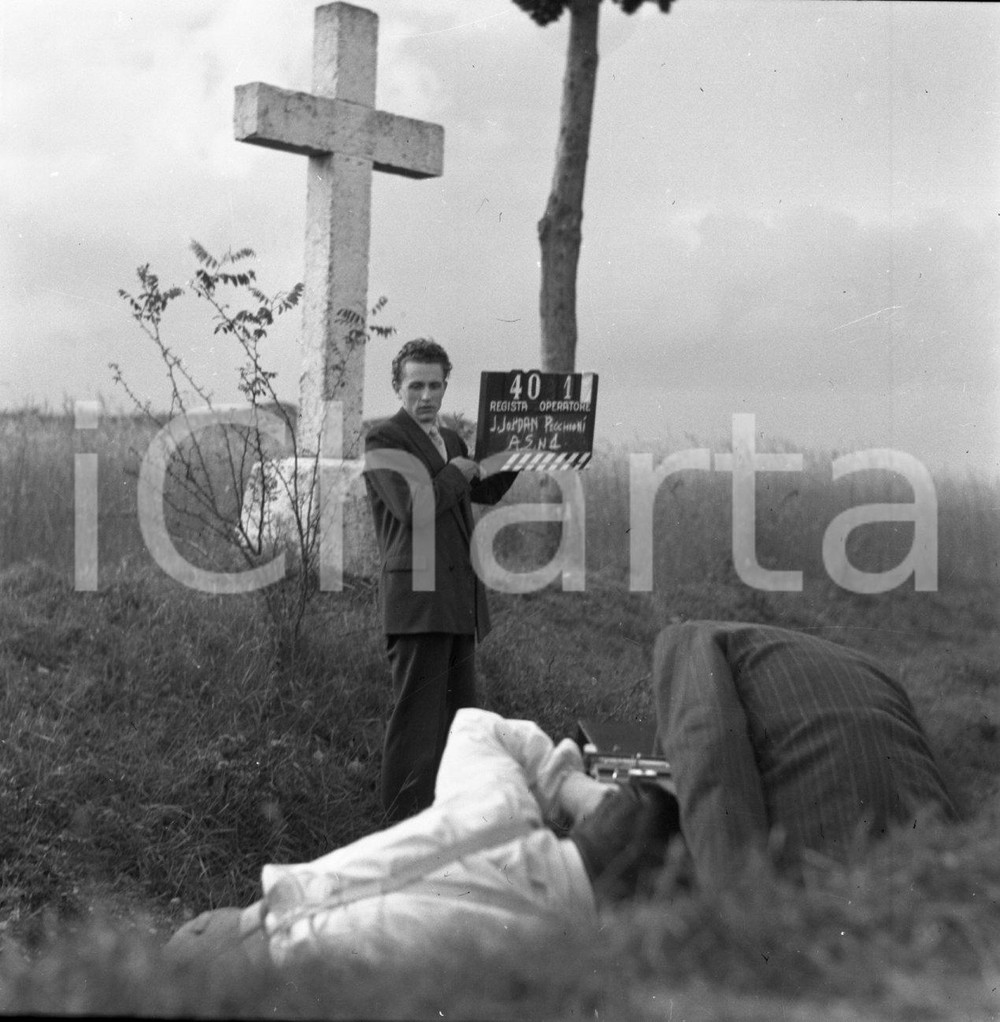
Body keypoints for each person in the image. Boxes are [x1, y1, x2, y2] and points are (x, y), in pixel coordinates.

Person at [163, 708, 678, 971]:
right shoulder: (486, 812)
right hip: (585, 862)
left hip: (585, 906)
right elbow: (476, 727)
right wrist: (569, 788)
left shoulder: (322, 956)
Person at [651, 620, 958, 887]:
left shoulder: (687, 637)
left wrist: (736, 904)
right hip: (934, 865)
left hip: (818, 866)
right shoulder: (866, 665)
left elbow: (710, 754)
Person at [364, 339, 518, 820]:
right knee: (415, 730)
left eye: (435, 385)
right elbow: (415, 508)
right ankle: (400, 835)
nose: (426, 396)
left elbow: (484, 488)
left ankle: (440, 830)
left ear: (446, 385)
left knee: (455, 726)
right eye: (415, 386)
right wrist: (455, 471)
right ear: (397, 387)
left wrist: (516, 450)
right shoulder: (384, 439)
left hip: (456, 602)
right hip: (418, 603)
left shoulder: (449, 439)